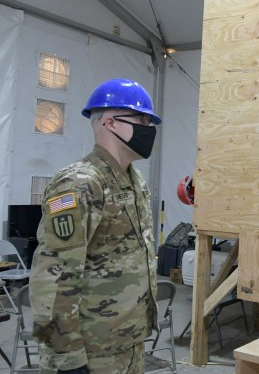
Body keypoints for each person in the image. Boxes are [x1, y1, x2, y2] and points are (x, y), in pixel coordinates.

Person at [30, 78, 161, 374]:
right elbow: (54, 275)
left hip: (126, 342)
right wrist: (68, 359)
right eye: (142, 119)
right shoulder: (79, 183)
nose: (149, 128)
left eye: (151, 122)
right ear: (111, 122)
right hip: (90, 353)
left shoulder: (133, 180)